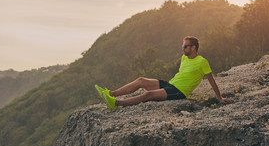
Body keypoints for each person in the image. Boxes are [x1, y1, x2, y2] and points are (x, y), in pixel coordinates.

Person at [95, 36, 233, 110]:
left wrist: (220, 98)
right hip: (171, 85)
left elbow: (211, 80)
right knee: (141, 80)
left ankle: (116, 103)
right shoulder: (184, 58)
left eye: (185, 46)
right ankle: (111, 94)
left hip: (179, 92)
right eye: (182, 46)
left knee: (148, 95)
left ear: (193, 47)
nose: (183, 48)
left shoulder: (202, 62)